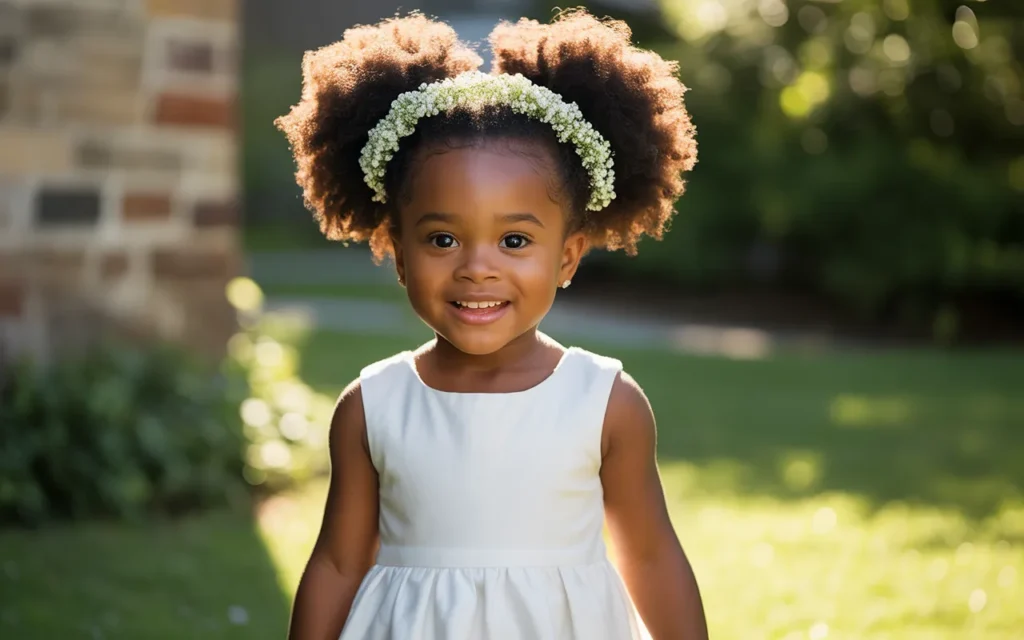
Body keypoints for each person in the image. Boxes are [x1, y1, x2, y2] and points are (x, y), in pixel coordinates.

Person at [276, 8, 705, 639]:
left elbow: (649, 555)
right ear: (397, 253)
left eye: (513, 240)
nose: (478, 269)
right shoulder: (373, 406)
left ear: (567, 256)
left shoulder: (606, 403)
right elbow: (339, 565)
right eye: (443, 238)